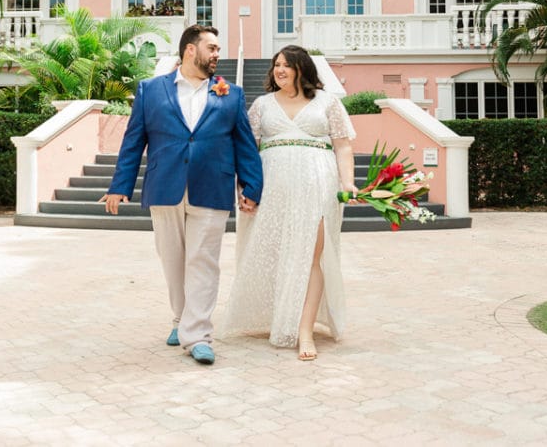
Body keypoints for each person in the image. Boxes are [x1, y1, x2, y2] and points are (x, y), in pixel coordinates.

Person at [101, 24, 263, 366]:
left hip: (213, 186)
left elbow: (245, 145)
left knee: (203, 262)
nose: (218, 54)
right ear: (191, 49)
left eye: (218, 48)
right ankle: (181, 319)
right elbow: (134, 141)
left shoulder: (230, 94)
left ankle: (199, 335)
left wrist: (251, 187)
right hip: (165, 185)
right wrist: (120, 186)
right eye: (212, 47)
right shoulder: (151, 90)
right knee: (173, 260)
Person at [223, 45, 359, 361]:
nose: (279, 70)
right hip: (274, 187)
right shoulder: (261, 105)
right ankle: (280, 315)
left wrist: (348, 182)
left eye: (286, 65)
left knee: (313, 254)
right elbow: (247, 150)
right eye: (276, 65)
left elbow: (343, 147)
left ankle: (305, 330)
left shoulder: (328, 103)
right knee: (277, 251)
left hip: (317, 185)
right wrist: (245, 188)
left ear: (302, 68)